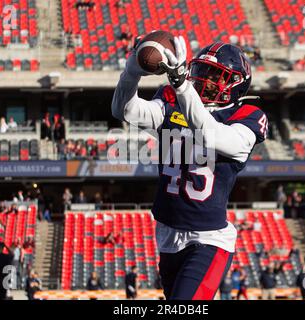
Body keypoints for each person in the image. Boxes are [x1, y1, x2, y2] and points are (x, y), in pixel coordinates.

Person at [112, 37, 267, 300]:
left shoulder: (247, 116)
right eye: (203, 71)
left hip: (209, 239)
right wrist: (131, 73)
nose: (206, 79)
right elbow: (124, 110)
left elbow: (209, 134)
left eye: (216, 75)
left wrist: (182, 85)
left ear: (236, 84)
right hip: (168, 234)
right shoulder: (173, 99)